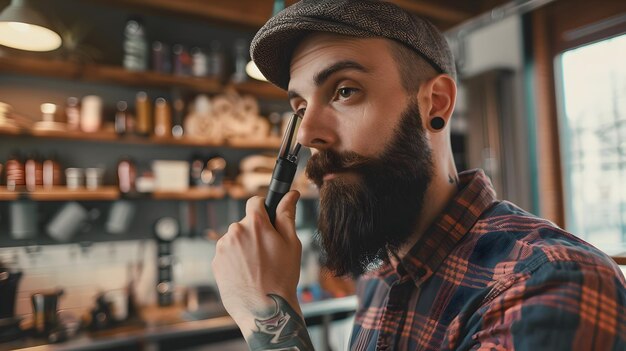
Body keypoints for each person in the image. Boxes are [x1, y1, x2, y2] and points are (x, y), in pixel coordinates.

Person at [212, 0, 626, 350]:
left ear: (436, 104)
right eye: (300, 107)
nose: (308, 134)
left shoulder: (552, 282)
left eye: (344, 90)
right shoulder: (378, 280)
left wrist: (265, 312)